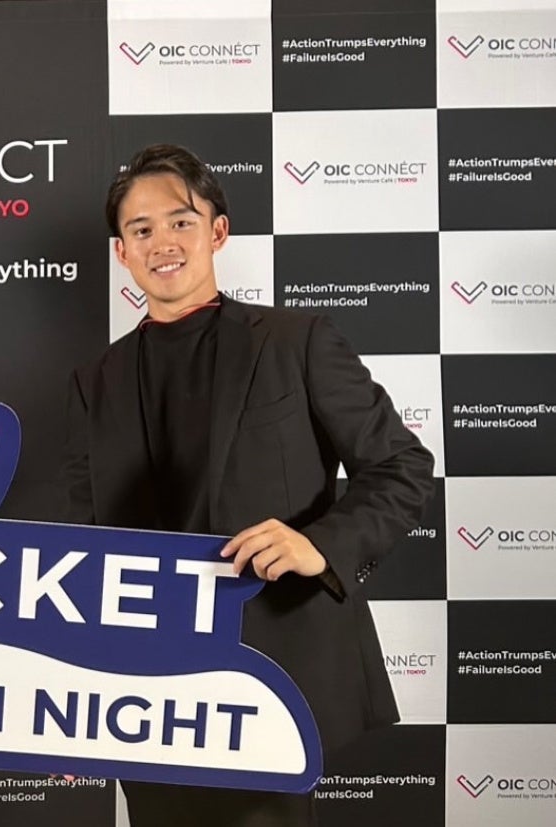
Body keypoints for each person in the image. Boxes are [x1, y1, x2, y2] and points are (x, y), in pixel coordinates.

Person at [59, 144, 434, 826]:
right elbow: (84, 542)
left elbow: (401, 467)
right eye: (141, 229)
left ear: (218, 231)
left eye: (180, 221)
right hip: (145, 690)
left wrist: (320, 545)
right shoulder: (96, 381)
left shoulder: (296, 341)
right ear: (122, 252)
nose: (162, 242)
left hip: (272, 677)